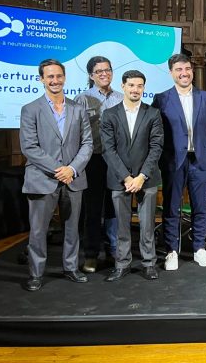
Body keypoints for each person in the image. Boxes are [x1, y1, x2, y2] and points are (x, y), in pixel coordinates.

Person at [19, 58, 93, 291]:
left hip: (73, 178)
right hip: (42, 180)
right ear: (41, 79)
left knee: (72, 229)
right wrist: (58, 170)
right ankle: (36, 274)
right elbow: (29, 147)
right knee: (39, 230)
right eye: (49, 76)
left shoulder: (78, 109)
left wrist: (71, 169)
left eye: (58, 76)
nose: (55, 80)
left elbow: (87, 143)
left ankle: (71, 268)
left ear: (64, 78)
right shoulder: (30, 109)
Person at [152, 54, 206, 270]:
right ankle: (172, 251)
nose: (184, 73)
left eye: (187, 69)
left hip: (200, 160)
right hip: (173, 161)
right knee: (171, 208)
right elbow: (157, 132)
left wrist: (201, 149)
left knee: (201, 207)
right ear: (171, 73)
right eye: (179, 69)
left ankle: (199, 247)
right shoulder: (161, 99)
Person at [100, 70, 164, 281]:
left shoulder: (153, 113)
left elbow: (156, 147)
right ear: (123, 86)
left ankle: (149, 263)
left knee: (147, 225)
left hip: (147, 179)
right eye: (131, 85)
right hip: (120, 180)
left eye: (139, 86)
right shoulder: (109, 114)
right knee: (122, 224)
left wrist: (141, 176)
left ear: (143, 88)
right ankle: (122, 264)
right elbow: (108, 150)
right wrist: (127, 178)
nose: (135, 89)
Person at [74, 56, 123, 273]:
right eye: (98, 71)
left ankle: (114, 250)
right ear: (91, 75)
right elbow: (76, 133)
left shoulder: (122, 97)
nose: (104, 74)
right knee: (92, 209)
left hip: (117, 161)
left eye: (107, 69)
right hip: (92, 160)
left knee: (114, 208)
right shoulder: (82, 99)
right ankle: (91, 254)